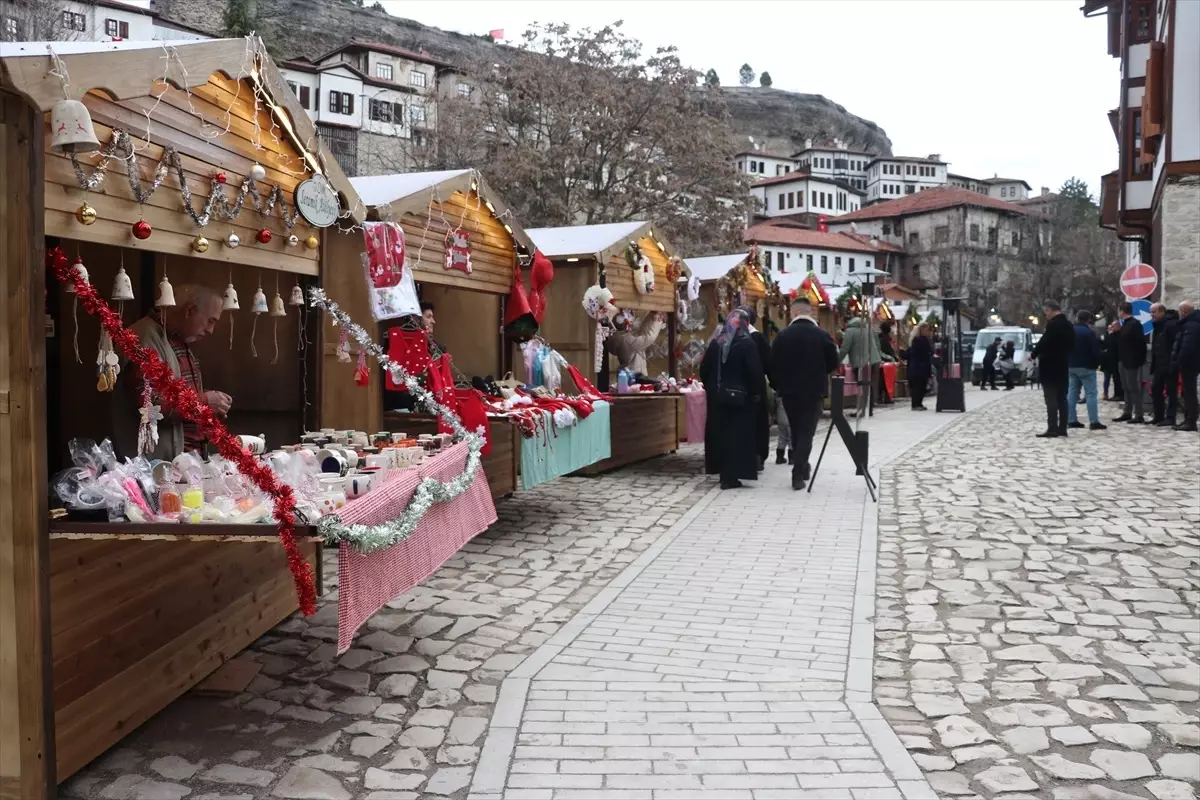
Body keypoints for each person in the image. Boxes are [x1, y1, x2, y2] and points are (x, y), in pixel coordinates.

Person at [113, 285, 229, 460]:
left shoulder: (178, 340)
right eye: (210, 321)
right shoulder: (144, 339)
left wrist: (209, 408)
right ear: (189, 310)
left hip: (182, 465)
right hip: (152, 469)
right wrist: (203, 402)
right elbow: (149, 408)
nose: (210, 330)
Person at [769, 296, 839, 490]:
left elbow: (772, 365)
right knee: (806, 433)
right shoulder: (822, 336)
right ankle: (798, 472)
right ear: (810, 312)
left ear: (794, 312)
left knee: (796, 429)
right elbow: (834, 362)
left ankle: (803, 466)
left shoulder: (782, 336)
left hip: (789, 392)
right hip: (814, 391)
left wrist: (778, 386)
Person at [699, 308, 764, 489]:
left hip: (717, 399)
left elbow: (704, 370)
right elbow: (755, 373)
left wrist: (712, 388)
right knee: (737, 437)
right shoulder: (747, 344)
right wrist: (756, 393)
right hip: (740, 400)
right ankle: (732, 475)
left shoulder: (716, 343)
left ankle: (722, 472)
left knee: (720, 435)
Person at [1030, 300, 1074, 438]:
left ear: (1051, 310)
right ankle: (1063, 428)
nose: (1046, 315)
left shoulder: (1053, 325)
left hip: (1050, 365)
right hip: (1063, 365)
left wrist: (1033, 354)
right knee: (1062, 398)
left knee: (1051, 398)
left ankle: (1052, 427)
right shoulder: (1068, 325)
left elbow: (1044, 342)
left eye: (1046, 312)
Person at [737, 306, 772, 470]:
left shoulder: (754, 338)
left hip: (743, 389)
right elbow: (768, 365)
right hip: (754, 388)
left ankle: (753, 456)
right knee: (756, 423)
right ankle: (756, 456)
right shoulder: (757, 338)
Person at [839, 314, 891, 418]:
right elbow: (877, 345)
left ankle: (862, 411)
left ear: (847, 322)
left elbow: (845, 348)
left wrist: (836, 361)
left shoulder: (850, 331)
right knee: (869, 386)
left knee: (862, 386)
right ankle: (868, 409)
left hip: (861, 363)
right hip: (874, 361)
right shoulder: (868, 329)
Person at [1067, 310, 1106, 431]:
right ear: (1088, 319)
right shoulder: (1089, 332)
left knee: (1072, 393)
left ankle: (1071, 419)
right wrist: (1097, 363)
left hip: (1071, 365)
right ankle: (1094, 421)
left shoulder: (1070, 331)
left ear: (1077, 318)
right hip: (1087, 367)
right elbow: (1095, 351)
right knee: (1091, 394)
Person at [1113, 301, 1148, 424]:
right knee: (1126, 388)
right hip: (1123, 359)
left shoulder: (1135, 324)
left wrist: (1139, 360)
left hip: (1132, 361)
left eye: (1119, 310)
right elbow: (1121, 342)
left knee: (1133, 388)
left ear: (1122, 311)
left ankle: (1138, 414)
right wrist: (1116, 332)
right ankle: (1127, 412)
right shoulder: (1125, 325)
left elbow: (1140, 344)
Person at [1170, 299, 1200, 432]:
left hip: (1189, 364)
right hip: (1189, 363)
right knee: (1187, 392)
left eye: (1180, 310)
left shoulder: (1191, 325)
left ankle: (1191, 421)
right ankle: (1188, 419)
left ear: (1184, 311)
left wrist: (1178, 362)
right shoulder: (1189, 324)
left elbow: (1187, 346)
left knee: (1189, 392)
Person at [1149, 302, 1180, 427]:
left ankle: (1170, 417)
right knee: (1156, 389)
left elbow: (1175, 344)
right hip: (1159, 364)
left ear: (1162, 312)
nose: (1152, 315)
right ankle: (1158, 415)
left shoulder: (1171, 325)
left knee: (1171, 391)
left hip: (1169, 363)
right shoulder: (1158, 325)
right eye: (1151, 312)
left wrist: (1173, 361)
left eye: (1154, 312)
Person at [608, 310, 665, 377]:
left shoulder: (624, 337)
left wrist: (652, 315)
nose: (631, 323)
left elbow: (643, 332)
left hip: (633, 376)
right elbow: (648, 338)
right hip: (634, 378)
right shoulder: (626, 340)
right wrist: (658, 321)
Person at [904, 324, 934, 410]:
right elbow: (927, 352)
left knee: (920, 386)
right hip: (919, 367)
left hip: (916, 367)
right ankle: (916, 404)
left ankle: (918, 404)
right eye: (926, 330)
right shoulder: (920, 340)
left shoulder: (916, 340)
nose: (927, 332)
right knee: (918, 387)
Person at [1101, 322, 1124, 401]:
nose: (1112, 328)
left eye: (1113, 326)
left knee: (1117, 379)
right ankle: (1114, 394)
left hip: (1117, 360)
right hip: (1110, 361)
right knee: (1111, 378)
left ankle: (1119, 394)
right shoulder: (1109, 335)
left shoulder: (1119, 335)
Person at [878, 321, 897, 404]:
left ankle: (880, 397)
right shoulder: (886, 339)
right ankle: (887, 397)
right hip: (888, 362)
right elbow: (890, 350)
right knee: (887, 380)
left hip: (881, 362)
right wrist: (894, 358)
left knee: (882, 380)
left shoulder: (880, 338)